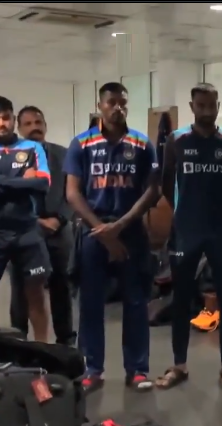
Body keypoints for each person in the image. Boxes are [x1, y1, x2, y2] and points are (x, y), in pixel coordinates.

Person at [64, 82, 160, 393]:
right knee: (91, 303)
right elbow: (72, 193)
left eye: (123, 102)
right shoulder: (82, 143)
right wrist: (103, 231)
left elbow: (152, 190)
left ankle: (138, 370)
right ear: (100, 105)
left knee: (136, 301)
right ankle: (92, 369)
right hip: (94, 232)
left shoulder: (142, 143)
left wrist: (120, 226)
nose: (118, 108)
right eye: (112, 102)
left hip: (130, 231)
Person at [156, 82, 222, 390]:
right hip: (187, 229)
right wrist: (185, 210)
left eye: (212, 105)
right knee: (181, 297)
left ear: (218, 106)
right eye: (201, 106)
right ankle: (179, 365)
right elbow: (166, 184)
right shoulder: (176, 140)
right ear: (192, 107)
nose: (207, 111)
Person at [9, 106, 75, 345]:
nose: (34, 127)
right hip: (23, 230)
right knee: (21, 288)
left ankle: (65, 341)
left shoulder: (64, 155)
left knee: (61, 285)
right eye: (28, 124)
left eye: (38, 122)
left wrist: (59, 219)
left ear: (45, 126)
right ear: (19, 129)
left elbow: (73, 192)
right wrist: (34, 222)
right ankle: (18, 340)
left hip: (59, 229)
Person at [0, 96, 52, 342]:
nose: (2, 123)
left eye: (5, 118)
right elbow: (30, 183)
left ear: (13, 119)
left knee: (36, 296)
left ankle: (43, 352)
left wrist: (3, 183)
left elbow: (42, 183)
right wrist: (22, 181)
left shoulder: (32, 148)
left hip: (27, 232)